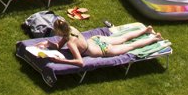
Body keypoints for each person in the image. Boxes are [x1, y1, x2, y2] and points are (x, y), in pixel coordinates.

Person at [34, 19, 165, 67]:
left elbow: (80, 62)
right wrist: (48, 43)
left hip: (102, 49)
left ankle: (154, 39)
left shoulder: (71, 43)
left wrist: (59, 61)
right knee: (124, 38)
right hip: (97, 40)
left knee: (129, 46)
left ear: (59, 32)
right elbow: (58, 46)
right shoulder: (71, 29)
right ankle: (146, 30)